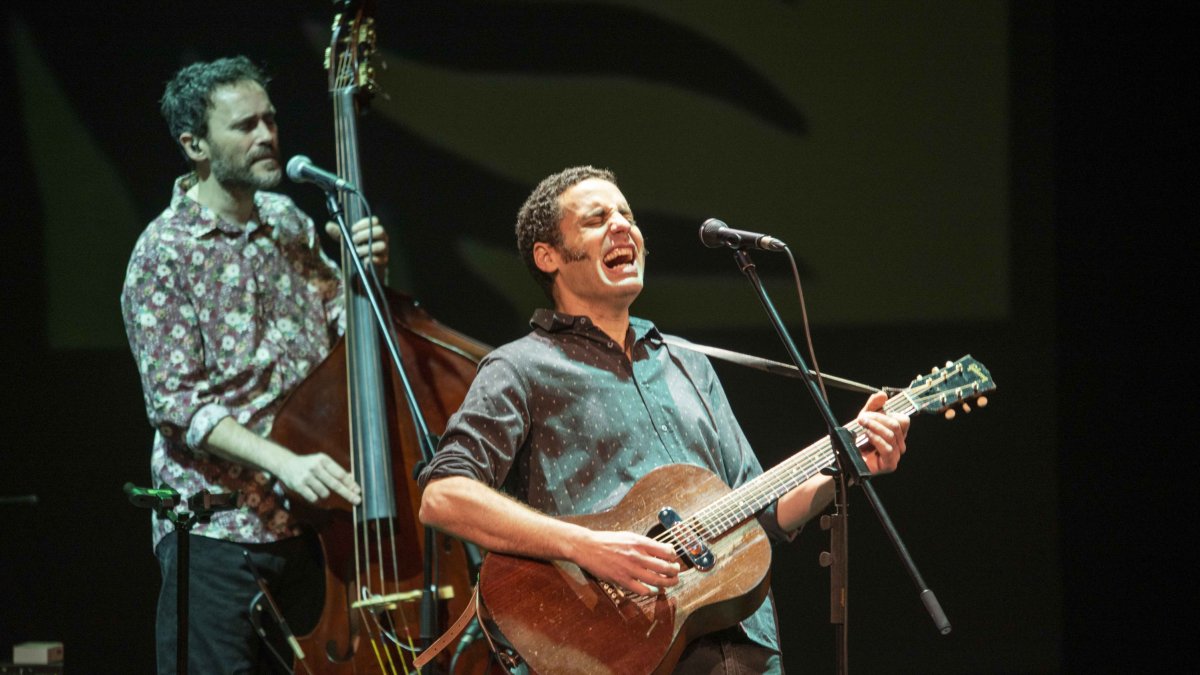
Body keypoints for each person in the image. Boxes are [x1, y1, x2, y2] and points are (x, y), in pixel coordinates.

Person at [417, 165, 911, 673]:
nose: (621, 225)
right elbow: (444, 496)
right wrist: (587, 547)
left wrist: (848, 464)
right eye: (596, 218)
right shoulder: (519, 367)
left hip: (744, 649)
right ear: (548, 257)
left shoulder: (687, 363)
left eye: (626, 214)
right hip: (618, 650)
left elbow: (762, 511)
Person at [121, 55, 388, 674]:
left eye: (270, 120)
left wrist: (361, 281)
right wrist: (284, 462)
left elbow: (340, 337)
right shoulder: (163, 254)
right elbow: (177, 405)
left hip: (309, 527)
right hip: (220, 535)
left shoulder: (288, 222)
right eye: (244, 126)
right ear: (195, 145)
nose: (267, 136)